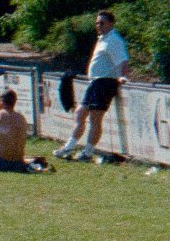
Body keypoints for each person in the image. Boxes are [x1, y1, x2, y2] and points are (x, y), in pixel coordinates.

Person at [56, 10, 130, 161]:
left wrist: (123, 76)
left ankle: (87, 153)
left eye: (102, 23)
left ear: (111, 23)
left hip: (105, 82)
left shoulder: (114, 40)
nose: (99, 26)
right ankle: (69, 147)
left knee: (95, 118)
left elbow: (123, 60)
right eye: (97, 23)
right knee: (80, 113)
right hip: (95, 82)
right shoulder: (103, 39)